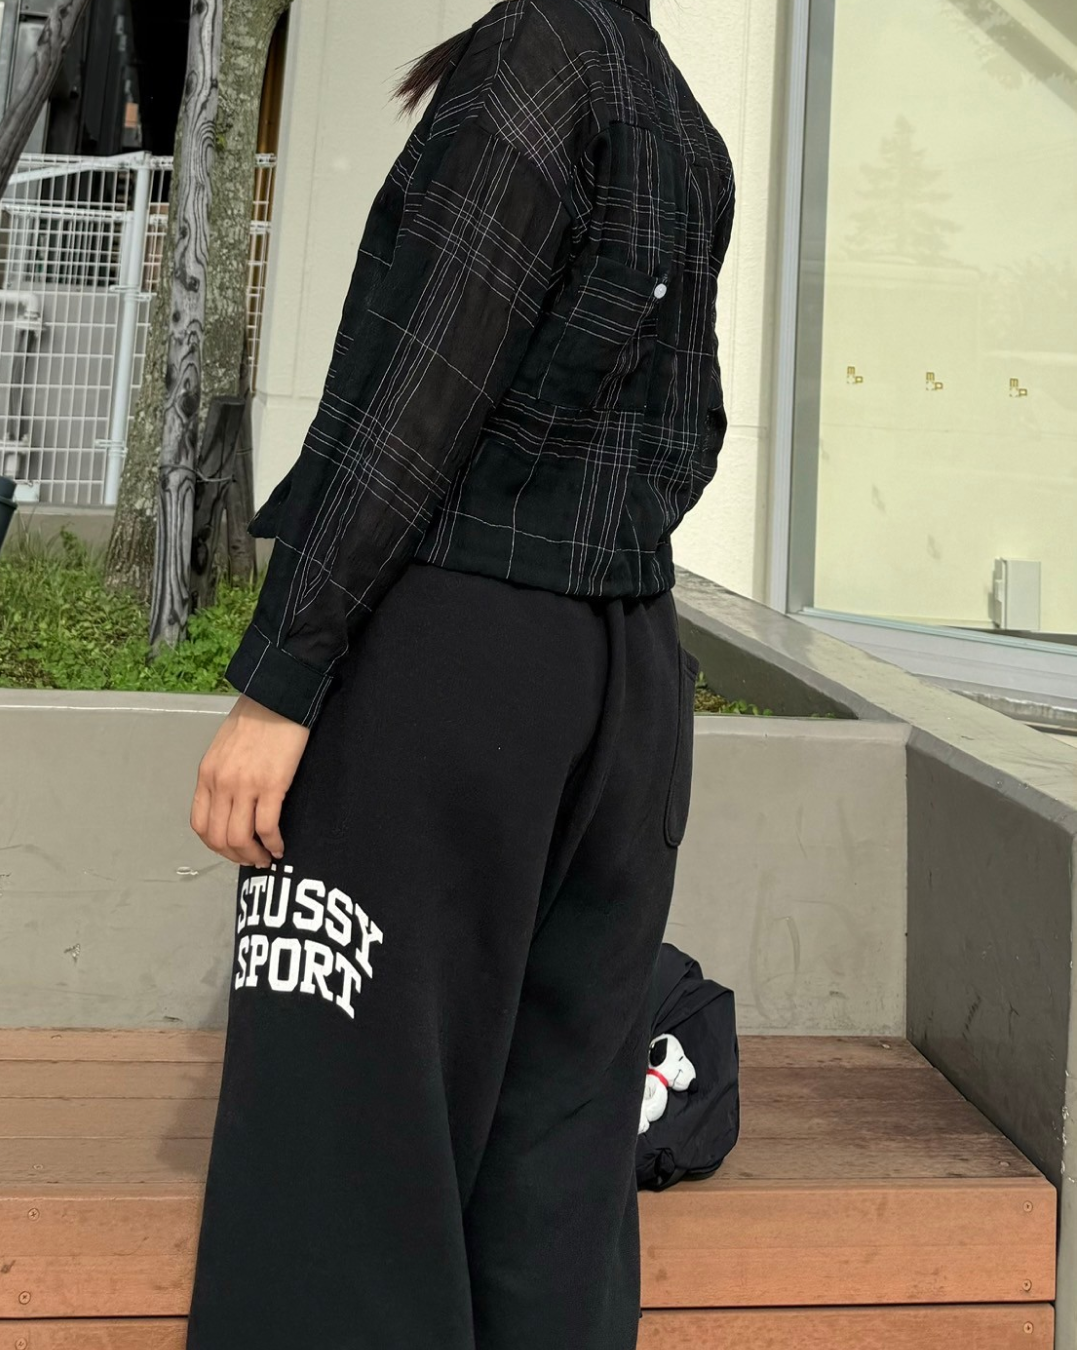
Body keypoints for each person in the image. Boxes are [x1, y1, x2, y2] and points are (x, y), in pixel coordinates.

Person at [184, 0, 734, 1345]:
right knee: (558, 1159)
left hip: (452, 657)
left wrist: (282, 679)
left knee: (342, 1154)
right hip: (624, 677)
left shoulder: (537, 62)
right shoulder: (684, 126)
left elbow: (414, 397)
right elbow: (695, 431)